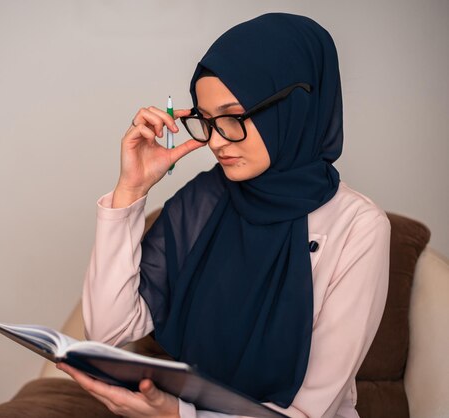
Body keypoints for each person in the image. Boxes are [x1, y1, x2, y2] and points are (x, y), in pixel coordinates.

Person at [57, 12, 390, 418]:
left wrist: (179, 416)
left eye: (233, 117)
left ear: (294, 107)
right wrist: (132, 190)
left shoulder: (359, 227)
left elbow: (309, 411)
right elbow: (108, 333)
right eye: (207, 121)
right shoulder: (207, 199)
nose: (215, 141)